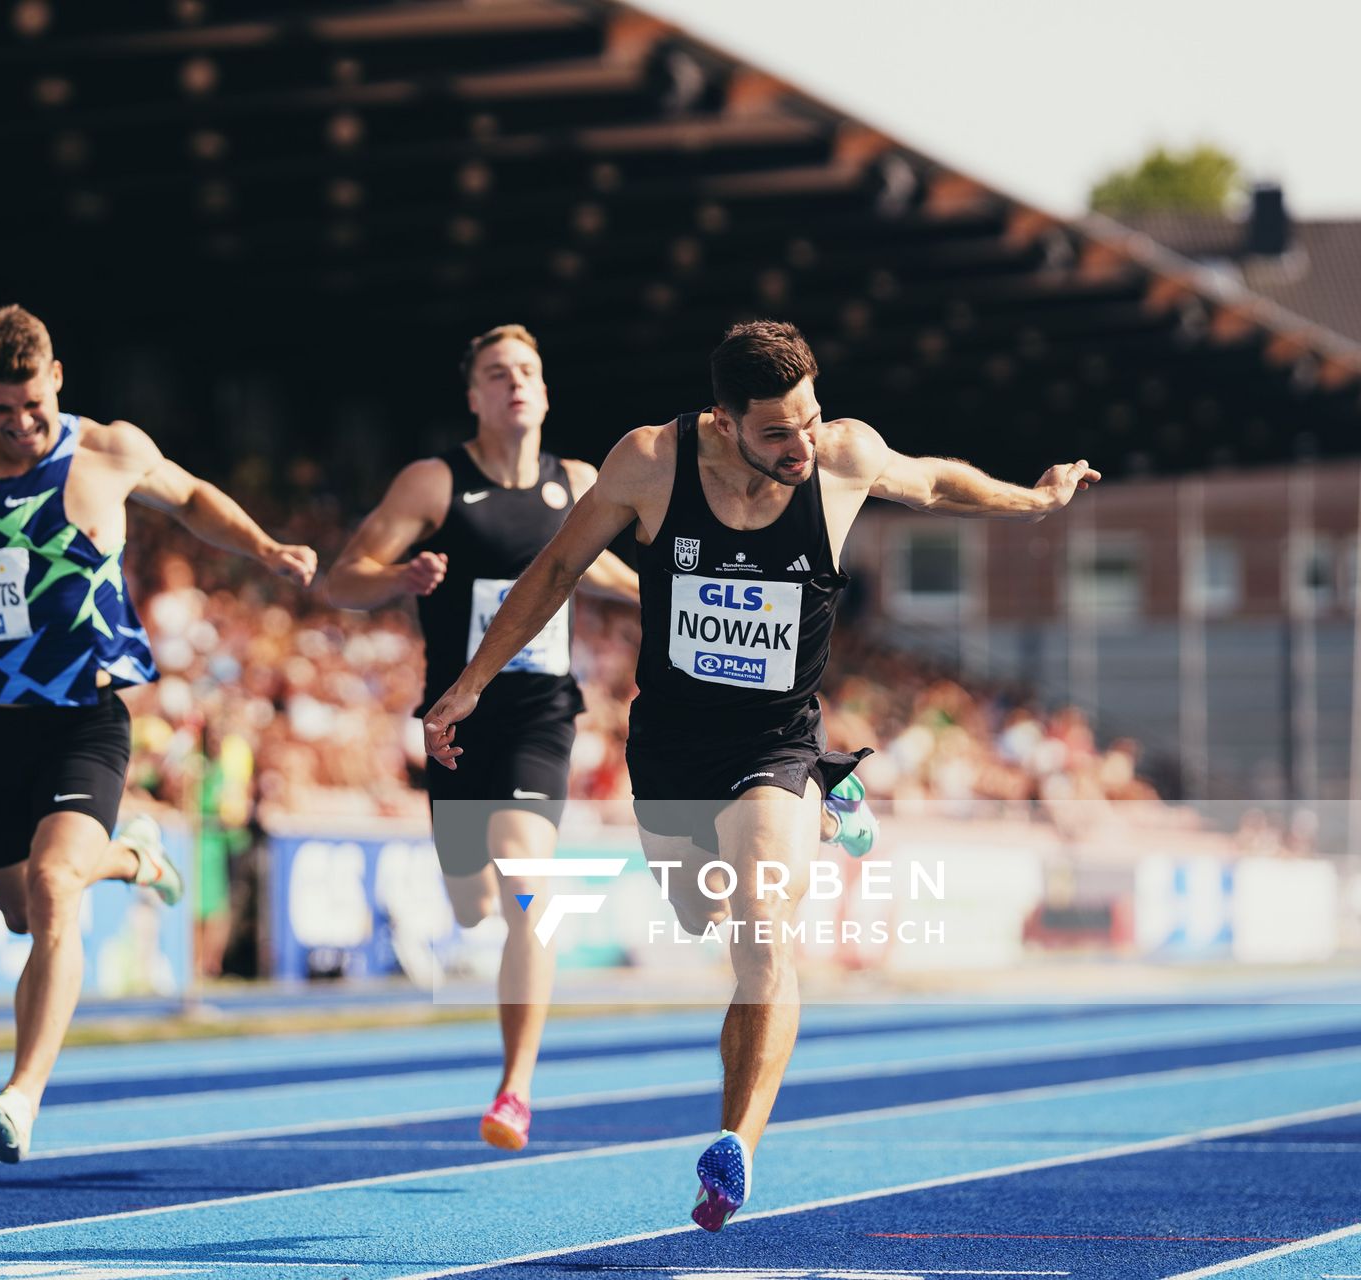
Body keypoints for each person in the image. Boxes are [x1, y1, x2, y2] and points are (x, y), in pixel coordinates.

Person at [422, 320, 1098, 1228]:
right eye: (777, 432)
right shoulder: (650, 464)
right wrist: (468, 686)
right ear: (723, 421)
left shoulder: (843, 456)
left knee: (764, 933)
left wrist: (1033, 499)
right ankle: (831, 795)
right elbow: (552, 574)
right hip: (669, 750)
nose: (801, 446)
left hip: (775, 741)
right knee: (697, 911)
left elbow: (934, 480)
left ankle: (734, 1147)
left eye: (808, 420)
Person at [0, 305, 316, 1163]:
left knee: (54, 889)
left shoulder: (109, 450)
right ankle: (135, 858)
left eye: (30, 406)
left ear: (56, 377)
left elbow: (192, 497)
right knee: (20, 913)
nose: (16, 426)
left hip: (85, 720)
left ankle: (23, 1095)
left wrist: (264, 547)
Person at [325, 324, 639, 1152]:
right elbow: (340, 578)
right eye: (497, 374)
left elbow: (592, 569)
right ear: (474, 396)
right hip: (455, 717)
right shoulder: (434, 483)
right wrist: (398, 576)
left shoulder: (576, 483)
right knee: (470, 897)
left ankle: (516, 1088)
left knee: (528, 889)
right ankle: (475, 910)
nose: (515, 383)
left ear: (545, 388)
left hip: (542, 711)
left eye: (528, 370)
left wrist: (670, 602)